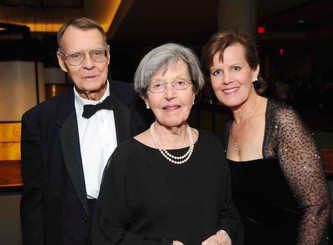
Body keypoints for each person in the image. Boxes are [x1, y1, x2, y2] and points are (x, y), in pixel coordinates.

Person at [92, 43, 242, 245]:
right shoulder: (126, 158)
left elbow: (229, 213)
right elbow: (105, 235)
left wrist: (225, 236)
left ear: (194, 92)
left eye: (180, 83)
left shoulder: (211, 146)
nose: (170, 94)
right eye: (158, 85)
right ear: (145, 97)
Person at [20, 17, 144, 245]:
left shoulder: (143, 103)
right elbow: (34, 205)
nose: (89, 64)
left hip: (135, 232)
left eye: (97, 53)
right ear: (62, 61)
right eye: (76, 56)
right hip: (71, 235)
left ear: (107, 55)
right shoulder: (39, 121)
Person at [201, 30, 332, 245]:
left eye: (235, 68)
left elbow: (317, 206)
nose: (226, 80)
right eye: (217, 72)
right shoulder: (228, 128)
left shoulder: (281, 122)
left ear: (254, 71)